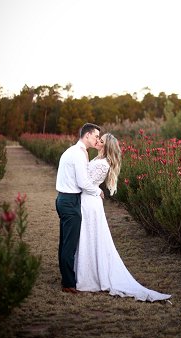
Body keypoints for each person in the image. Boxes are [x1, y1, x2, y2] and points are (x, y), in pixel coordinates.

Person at [75, 133, 172, 301]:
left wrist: (96, 189)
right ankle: (84, 270)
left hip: (90, 202)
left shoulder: (103, 164)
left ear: (106, 146)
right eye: (98, 139)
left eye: (101, 140)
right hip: (88, 200)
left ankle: (90, 276)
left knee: (90, 236)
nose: (97, 141)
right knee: (87, 236)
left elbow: (86, 183)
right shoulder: (98, 159)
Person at [54, 123, 102, 293]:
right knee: (69, 244)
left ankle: (66, 278)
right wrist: (98, 191)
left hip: (64, 199)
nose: (97, 139)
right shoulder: (78, 154)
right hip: (69, 201)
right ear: (87, 135)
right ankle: (68, 283)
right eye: (96, 136)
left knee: (65, 242)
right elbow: (83, 182)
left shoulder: (74, 151)